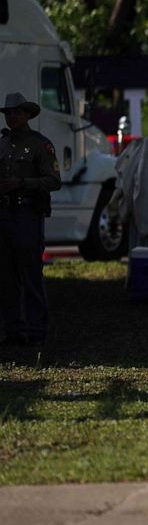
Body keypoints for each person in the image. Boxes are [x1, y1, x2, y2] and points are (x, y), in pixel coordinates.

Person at [0, 92, 61, 347]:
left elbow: (55, 181)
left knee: (30, 273)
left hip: (27, 213)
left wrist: (23, 183)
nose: (13, 116)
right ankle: (14, 330)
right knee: (6, 275)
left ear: (27, 114)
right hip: (4, 214)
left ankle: (37, 330)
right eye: (8, 113)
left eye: (17, 112)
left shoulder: (40, 145)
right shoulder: (2, 144)